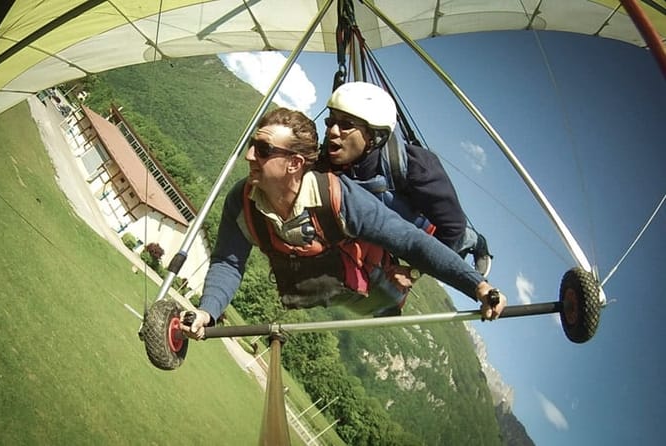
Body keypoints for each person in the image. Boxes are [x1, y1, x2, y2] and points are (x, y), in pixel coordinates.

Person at [181, 107, 506, 340]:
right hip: (327, 288)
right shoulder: (243, 201)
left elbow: (411, 242)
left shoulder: (339, 198)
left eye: (263, 150)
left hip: (376, 293)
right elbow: (228, 260)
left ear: (295, 163)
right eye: (253, 145)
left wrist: (477, 286)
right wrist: (207, 311)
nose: (250, 155)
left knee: (425, 245)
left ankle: (473, 243)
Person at [316, 82, 494, 276]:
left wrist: (414, 271)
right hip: (389, 228)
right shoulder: (333, 159)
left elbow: (453, 228)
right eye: (330, 121)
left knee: (460, 243)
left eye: (346, 125)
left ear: (374, 136)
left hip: (439, 236)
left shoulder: (416, 167)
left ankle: (478, 243)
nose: (332, 131)